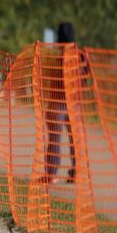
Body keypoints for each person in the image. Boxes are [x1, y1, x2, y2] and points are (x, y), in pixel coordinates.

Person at [43, 21, 82, 184]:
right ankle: (75, 172)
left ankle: (51, 174)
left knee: (55, 139)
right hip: (73, 101)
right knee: (75, 140)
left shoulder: (56, 54)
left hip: (57, 101)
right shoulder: (79, 55)